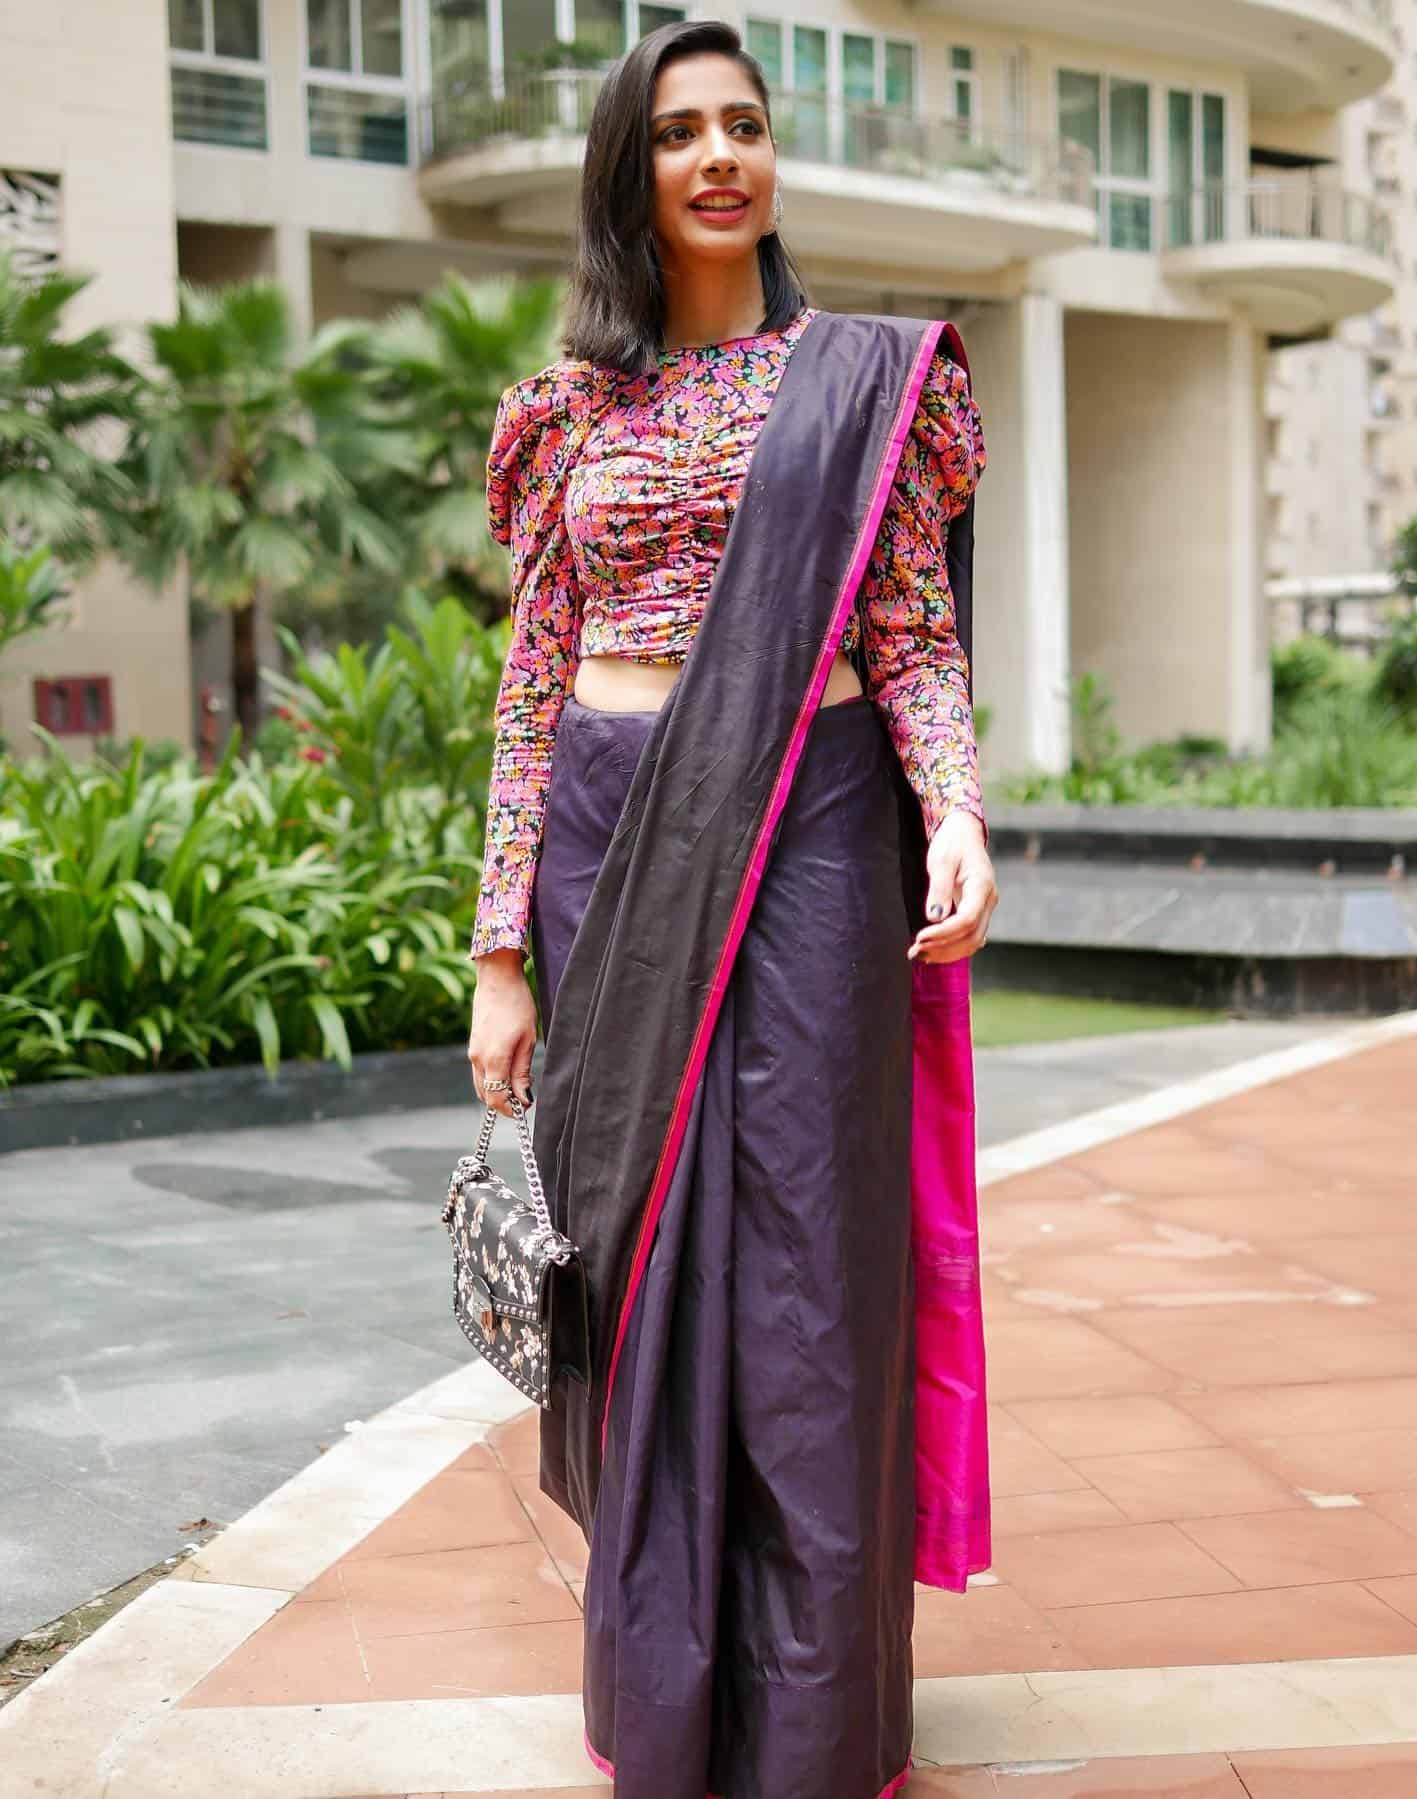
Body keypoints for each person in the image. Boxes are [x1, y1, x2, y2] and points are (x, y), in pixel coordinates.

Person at [465, 19, 997, 1798]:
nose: (719, 157)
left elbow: (911, 628)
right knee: (637, 1278)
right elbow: (531, 681)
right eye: (681, 131)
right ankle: (667, 1697)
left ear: (773, 161)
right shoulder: (559, 418)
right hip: (611, 852)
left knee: (804, 1274)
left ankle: (814, 1724)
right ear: (633, 169)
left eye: (746, 126)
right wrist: (495, 955)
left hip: (818, 840)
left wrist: (960, 817)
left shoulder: (863, 385)